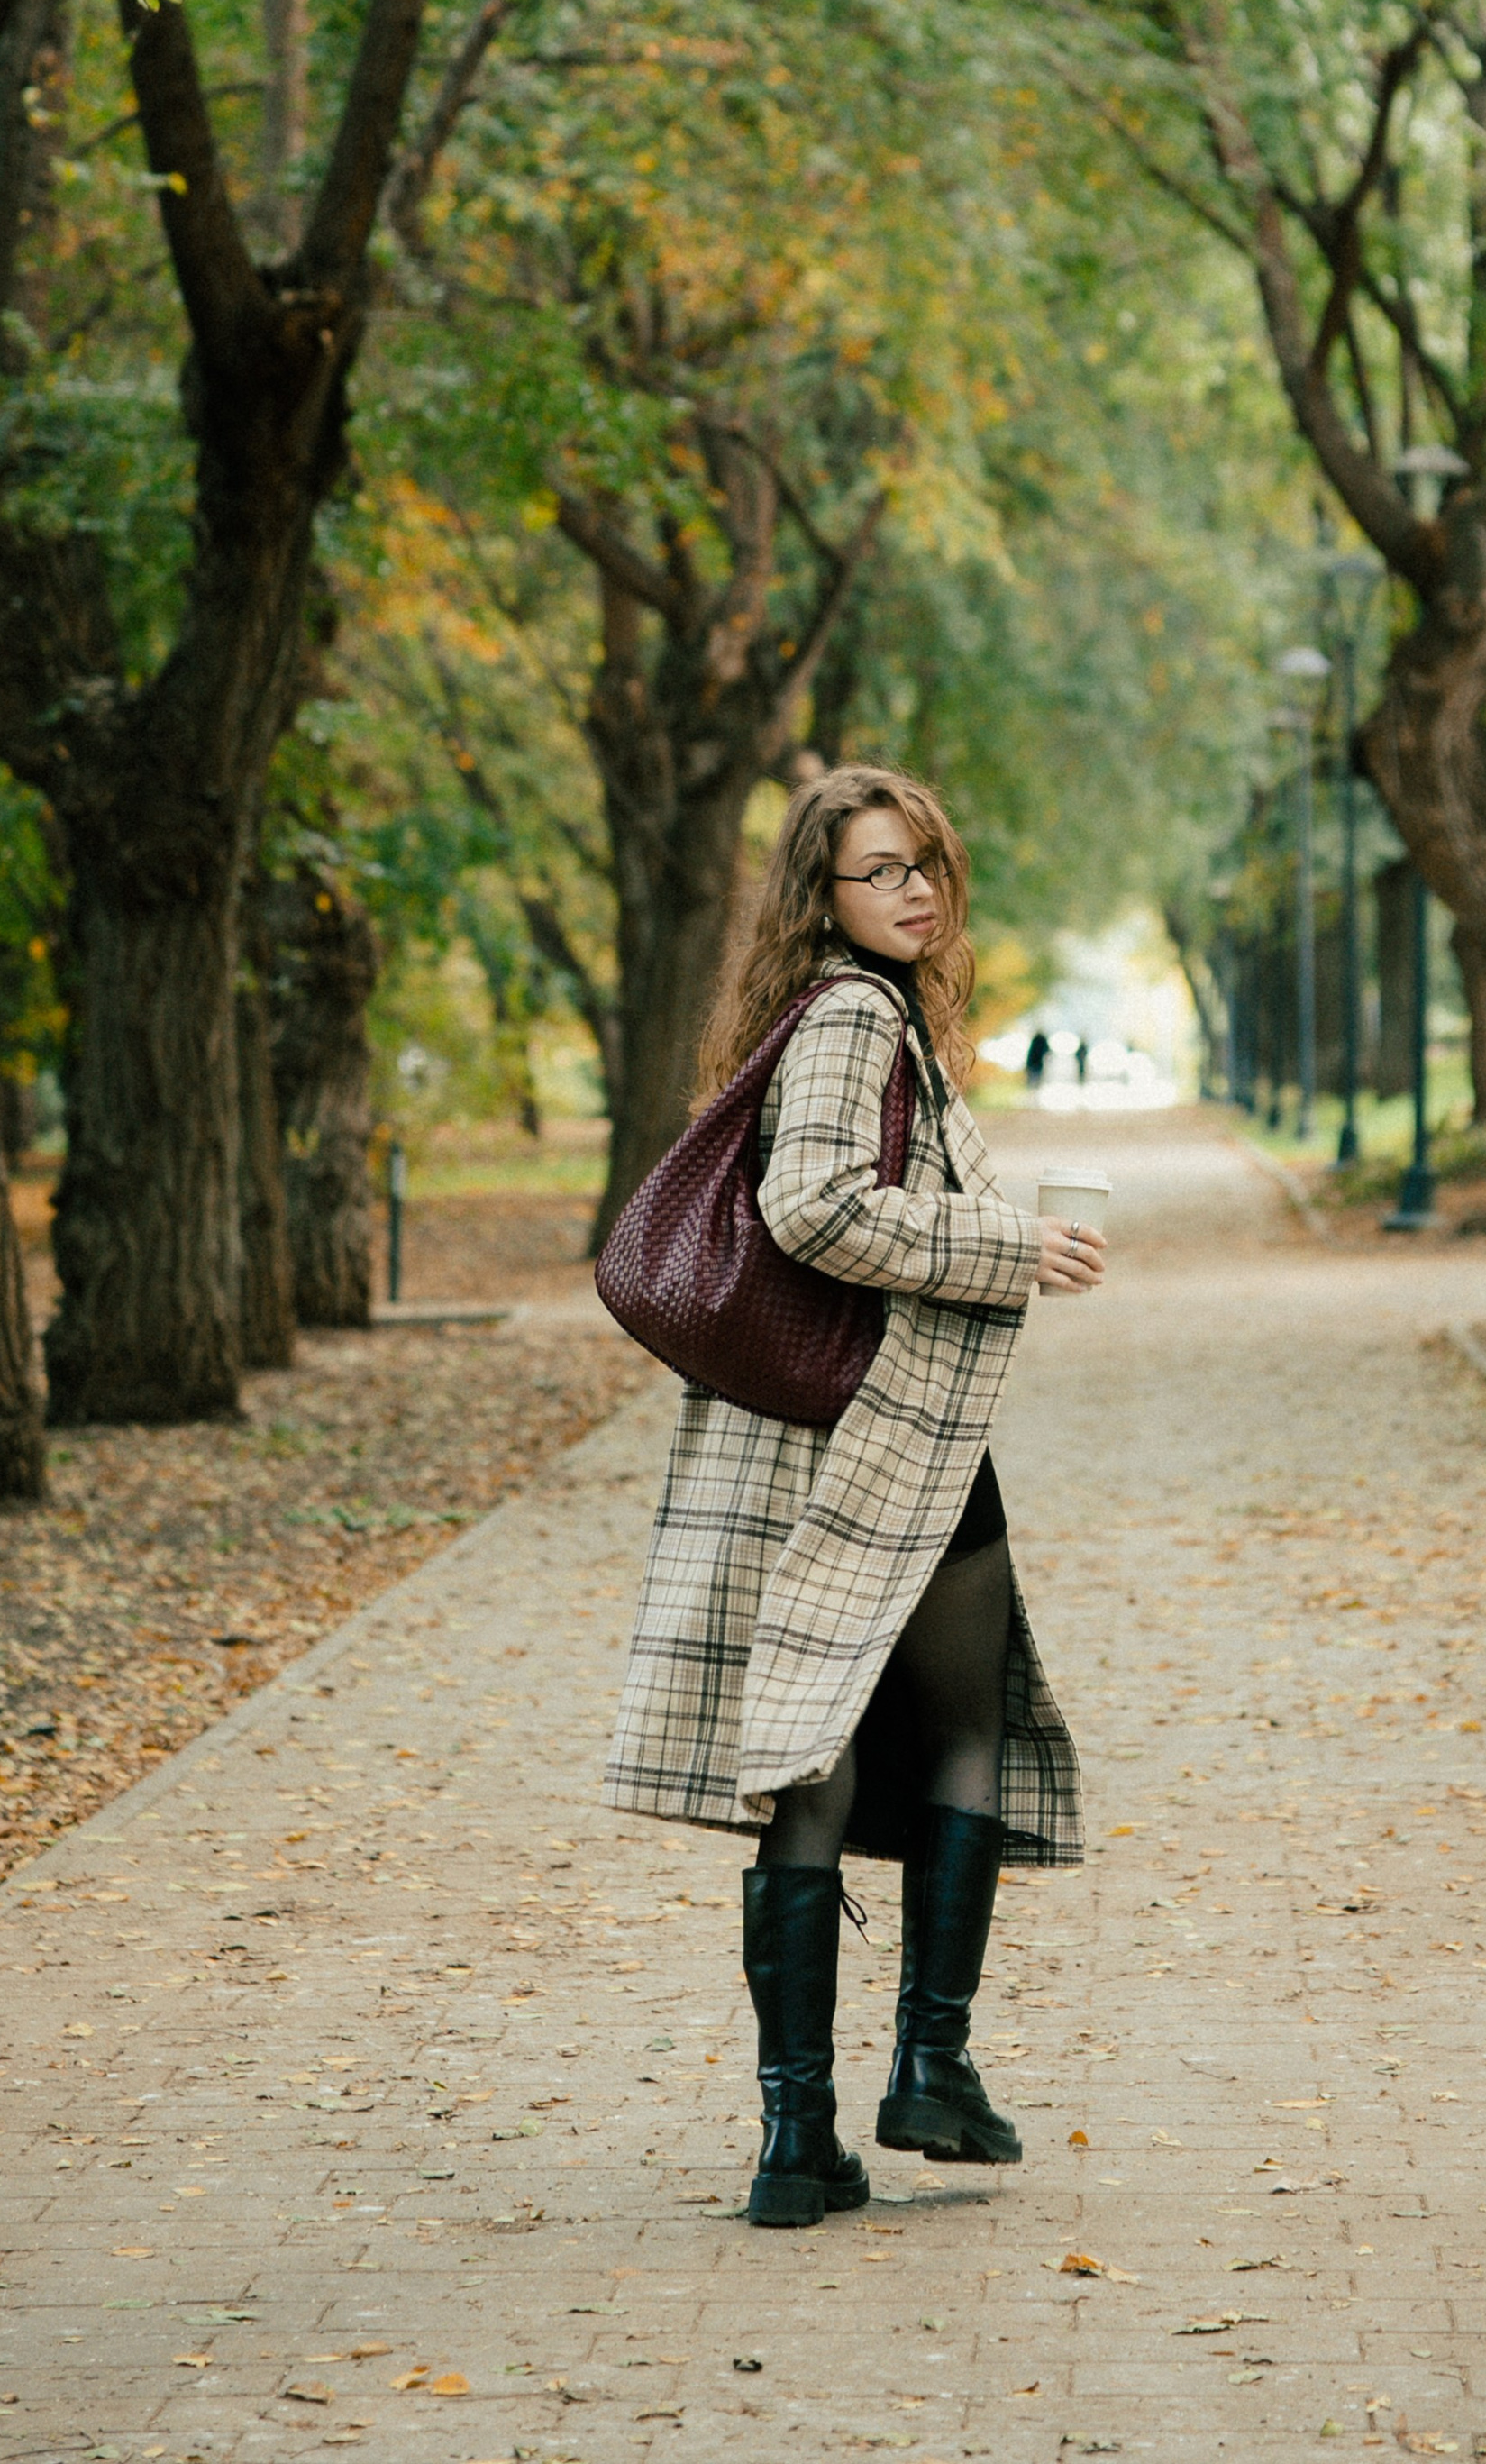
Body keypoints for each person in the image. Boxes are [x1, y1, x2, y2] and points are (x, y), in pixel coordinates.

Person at [603, 763, 1107, 2231]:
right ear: (820, 897)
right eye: (880, 872)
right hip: (878, 1438)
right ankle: (925, 2074)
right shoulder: (848, 1016)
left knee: (813, 1758)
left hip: (826, 1434)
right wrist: (1003, 1243)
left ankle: (796, 2144)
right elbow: (810, 1206)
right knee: (953, 1734)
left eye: (926, 867)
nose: (915, 892)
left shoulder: (834, 1013)